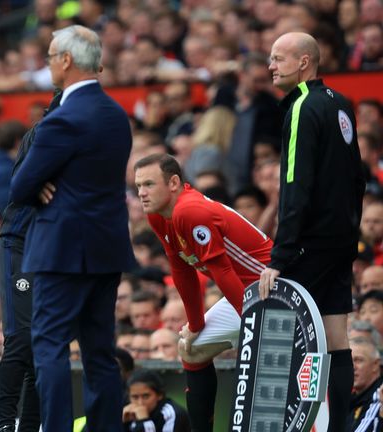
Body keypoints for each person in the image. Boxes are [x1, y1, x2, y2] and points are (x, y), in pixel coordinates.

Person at [8, 25, 137, 431]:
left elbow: (21, 185)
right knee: (100, 352)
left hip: (62, 250)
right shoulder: (117, 114)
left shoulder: (63, 119)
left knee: (49, 347)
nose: (47, 64)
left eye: (49, 57)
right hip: (106, 249)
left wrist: (44, 183)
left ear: (66, 60)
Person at [258, 32, 365, 431]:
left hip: (309, 244)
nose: (271, 66)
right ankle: (338, 426)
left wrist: (281, 256)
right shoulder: (340, 103)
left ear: (304, 62)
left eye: (278, 59)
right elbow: (358, 177)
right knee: (336, 338)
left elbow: (294, 184)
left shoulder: (302, 107)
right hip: (340, 240)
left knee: (289, 341)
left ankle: (295, 425)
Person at [134, 153, 273, 431]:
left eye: (149, 184)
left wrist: (252, 324)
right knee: (192, 348)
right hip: (245, 292)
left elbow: (223, 272)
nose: (142, 193)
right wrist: (195, 324)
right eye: (138, 186)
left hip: (270, 288)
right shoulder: (159, 216)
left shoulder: (189, 210)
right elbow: (182, 270)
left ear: (173, 182)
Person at [0, 89, 61, 432]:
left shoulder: (86, 148)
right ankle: (4, 423)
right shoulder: (43, 132)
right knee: (21, 336)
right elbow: (21, 185)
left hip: (53, 252)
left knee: (44, 344)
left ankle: (30, 427)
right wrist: (37, 184)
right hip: (19, 243)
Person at [122, 369, 191, 432]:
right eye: (135, 397)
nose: (140, 403)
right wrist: (122, 423)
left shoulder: (172, 414)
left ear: (159, 395)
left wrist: (144, 421)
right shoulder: (128, 412)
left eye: (146, 396)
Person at [348, 338, 383, 431]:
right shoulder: (351, 400)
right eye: (349, 361)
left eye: (358, 360)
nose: (353, 367)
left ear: (375, 364)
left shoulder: (379, 397)